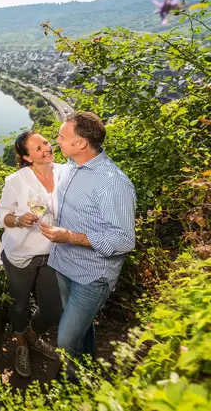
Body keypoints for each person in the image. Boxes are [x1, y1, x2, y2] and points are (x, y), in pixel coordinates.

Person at [40, 112, 136, 375]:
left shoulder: (112, 183)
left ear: (81, 143)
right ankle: (86, 368)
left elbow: (124, 240)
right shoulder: (71, 167)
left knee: (66, 338)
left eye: (62, 136)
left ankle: (72, 383)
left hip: (91, 275)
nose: (55, 140)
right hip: (63, 264)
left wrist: (70, 237)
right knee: (81, 326)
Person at [0, 130, 64, 378]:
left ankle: (32, 336)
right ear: (26, 158)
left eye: (46, 142)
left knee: (54, 307)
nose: (46, 148)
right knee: (19, 303)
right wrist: (18, 219)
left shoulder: (64, 172)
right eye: (38, 148)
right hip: (21, 255)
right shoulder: (16, 181)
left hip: (54, 252)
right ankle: (21, 345)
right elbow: (0, 217)